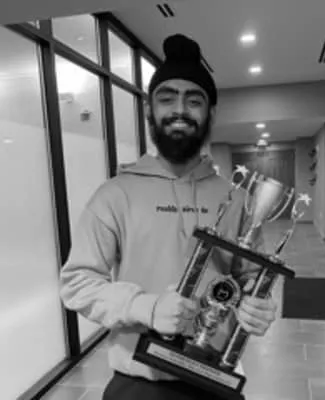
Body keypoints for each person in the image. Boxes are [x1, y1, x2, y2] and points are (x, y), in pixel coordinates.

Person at [60, 33, 277, 400]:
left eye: (194, 100)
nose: (180, 110)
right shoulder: (115, 194)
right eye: (167, 98)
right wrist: (146, 307)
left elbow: (251, 277)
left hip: (216, 380)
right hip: (138, 383)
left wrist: (259, 305)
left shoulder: (236, 199)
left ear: (210, 114)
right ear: (150, 110)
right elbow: (77, 283)